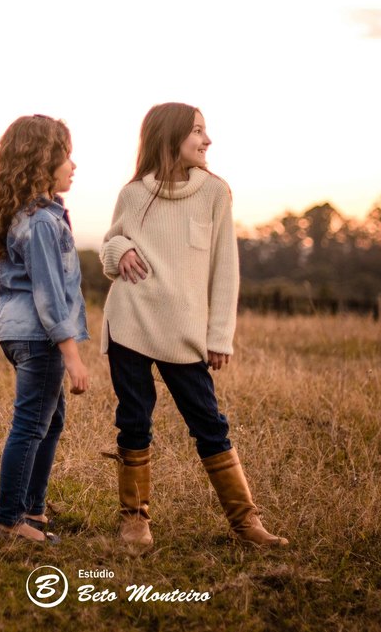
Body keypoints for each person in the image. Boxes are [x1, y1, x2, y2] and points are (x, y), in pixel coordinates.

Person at [100, 102, 287, 547]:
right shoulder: (133, 194)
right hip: (130, 322)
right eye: (198, 131)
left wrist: (220, 335)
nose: (207, 140)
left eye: (205, 131)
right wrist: (120, 250)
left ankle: (246, 524)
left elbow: (226, 268)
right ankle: (135, 522)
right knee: (134, 421)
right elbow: (110, 246)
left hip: (184, 333)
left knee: (209, 422)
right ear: (171, 136)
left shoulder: (215, 192)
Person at [0, 114, 90, 544]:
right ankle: (10, 522)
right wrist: (72, 356)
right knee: (30, 425)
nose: (74, 166)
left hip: (15, 330)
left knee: (50, 419)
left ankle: (33, 510)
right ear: (44, 161)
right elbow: (48, 294)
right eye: (67, 156)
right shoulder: (42, 222)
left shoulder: (25, 214)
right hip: (38, 335)